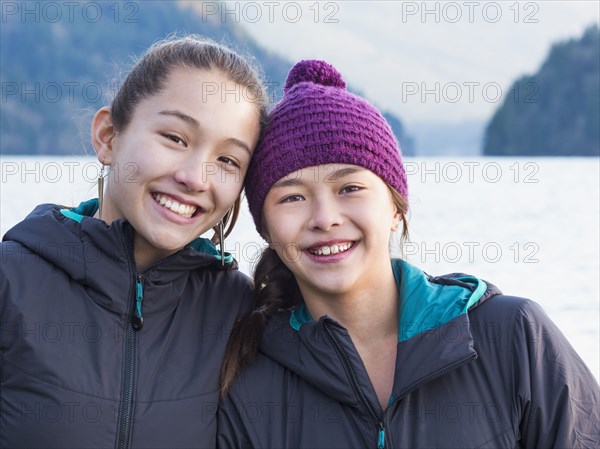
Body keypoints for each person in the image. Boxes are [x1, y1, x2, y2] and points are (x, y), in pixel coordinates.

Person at [217, 60, 600, 448]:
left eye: (349, 188)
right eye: (292, 197)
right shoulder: (249, 380)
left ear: (396, 208)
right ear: (266, 228)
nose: (325, 219)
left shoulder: (513, 336)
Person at [0, 35, 266, 448]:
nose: (196, 177)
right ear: (108, 136)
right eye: (175, 138)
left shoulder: (238, 312)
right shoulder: (11, 281)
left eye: (227, 160)